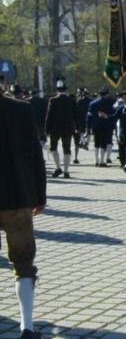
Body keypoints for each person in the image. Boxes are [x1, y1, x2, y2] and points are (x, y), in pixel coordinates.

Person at [0, 87, 47, 339]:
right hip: (18, 198)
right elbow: (35, 155)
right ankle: (26, 327)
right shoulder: (22, 109)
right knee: (24, 264)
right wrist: (40, 195)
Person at [45, 78, 77, 178]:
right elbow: (75, 115)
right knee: (67, 149)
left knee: (53, 147)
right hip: (68, 128)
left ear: (57, 90)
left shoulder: (53, 100)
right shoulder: (71, 101)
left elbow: (49, 116)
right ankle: (66, 171)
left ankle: (58, 167)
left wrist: (47, 129)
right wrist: (77, 127)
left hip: (55, 128)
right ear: (65, 90)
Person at [86, 87, 115, 167]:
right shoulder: (110, 103)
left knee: (96, 144)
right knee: (103, 144)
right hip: (106, 125)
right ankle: (102, 161)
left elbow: (89, 116)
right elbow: (113, 114)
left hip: (95, 125)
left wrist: (88, 127)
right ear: (107, 94)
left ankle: (97, 161)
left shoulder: (92, 103)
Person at [73, 87, 92, 164]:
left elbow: (76, 112)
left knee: (78, 137)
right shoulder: (91, 101)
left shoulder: (78, 101)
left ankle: (76, 157)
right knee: (88, 132)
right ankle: (85, 143)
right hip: (88, 120)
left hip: (79, 121)